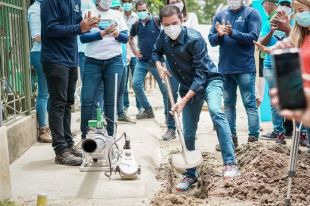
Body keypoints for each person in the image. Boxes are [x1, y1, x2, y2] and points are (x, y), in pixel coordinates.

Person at [153, 5, 239, 192]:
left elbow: (201, 74)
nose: (171, 28)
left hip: (209, 81)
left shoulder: (194, 38)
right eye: (167, 25)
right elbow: (155, 52)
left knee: (217, 112)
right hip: (186, 86)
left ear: (182, 20)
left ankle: (230, 163)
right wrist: (159, 66)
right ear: (162, 25)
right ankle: (190, 174)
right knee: (188, 131)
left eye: (174, 23)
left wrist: (183, 100)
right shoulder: (163, 36)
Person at [41, 0, 99, 165]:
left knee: (68, 103)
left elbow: (77, 27)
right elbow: (50, 28)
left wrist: (88, 25)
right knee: (58, 103)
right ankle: (60, 150)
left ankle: (68, 145)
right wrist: (79, 27)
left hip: (71, 59)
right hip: (55, 59)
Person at [208, 0, 262, 146]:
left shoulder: (252, 13)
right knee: (228, 105)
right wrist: (219, 35)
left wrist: (232, 33)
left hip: (245, 68)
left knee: (249, 103)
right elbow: (211, 40)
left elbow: (253, 37)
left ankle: (253, 139)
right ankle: (231, 138)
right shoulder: (220, 15)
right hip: (225, 69)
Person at [258, 0, 310, 145]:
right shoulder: (272, 23)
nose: (296, 14)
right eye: (296, 11)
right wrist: (273, 35)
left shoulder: (296, 25)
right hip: (273, 64)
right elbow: (289, 41)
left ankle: (303, 134)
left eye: (300, 10)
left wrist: (288, 28)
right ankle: (280, 132)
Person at [80, 0, 129, 137]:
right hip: (92, 62)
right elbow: (83, 38)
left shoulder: (117, 14)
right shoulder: (88, 14)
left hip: (114, 62)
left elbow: (125, 38)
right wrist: (102, 33)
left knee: (111, 101)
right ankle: (85, 136)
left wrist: (116, 34)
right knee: (87, 99)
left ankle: (111, 136)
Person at [161, 0, 199, 141]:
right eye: (172, 1)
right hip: (172, 62)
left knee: (190, 95)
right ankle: (171, 127)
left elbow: (196, 36)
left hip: (190, 64)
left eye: (178, 0)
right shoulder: (165, 18)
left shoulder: (192, 17)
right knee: (170, 95)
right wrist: (160, 64)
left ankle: (189, 131)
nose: (176, 3)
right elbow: (162, 41)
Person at [129, 0, 169, 121]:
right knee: (136, 84)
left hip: (157, 62)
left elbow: (166, 34)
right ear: (136, 11)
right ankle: (147, 110)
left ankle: (169, 116)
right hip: (142, 61)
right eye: (139, 11)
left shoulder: (157, 21)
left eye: (144, 10)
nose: (142, 12)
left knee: (165, 90)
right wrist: (135, 51)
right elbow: (130, 38)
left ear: (148, 10)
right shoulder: (136, 25)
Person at [28, 0, 52, 143]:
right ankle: (43, 129)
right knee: (44, 93)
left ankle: (52, 127)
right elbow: (36, 37)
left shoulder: (45, 6)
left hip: (49, 53)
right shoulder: (35, 9)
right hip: (40, 53)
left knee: (50, 93)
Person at [122, 0, 142, 114]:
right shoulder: (119, 16)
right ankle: (125, 106)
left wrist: (137, 51)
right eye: (125, 2)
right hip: (124, 53)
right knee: (123, 82)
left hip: (136, 53)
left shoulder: (137, 17)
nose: (127, 4)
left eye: (129, 2)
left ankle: (140, 107)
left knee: (137, 82)